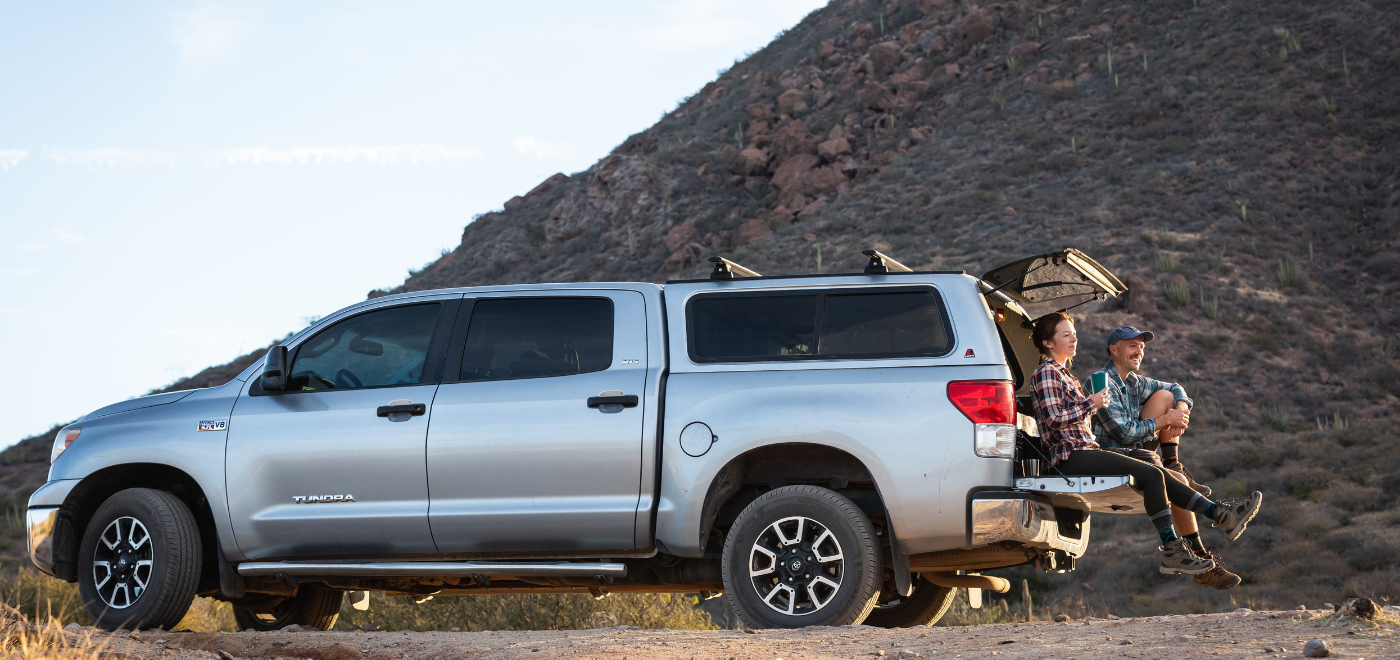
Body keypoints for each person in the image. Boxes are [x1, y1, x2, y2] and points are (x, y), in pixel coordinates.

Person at [1027, 312, 1263, 576]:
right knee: (1152, 473)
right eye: (1066, 334)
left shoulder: (1066, 375)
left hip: (1085, 452)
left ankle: (1218, 516)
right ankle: (1183, 542)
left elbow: (1173, 388)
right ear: (1048, 343)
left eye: (1074, 333)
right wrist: (1091, 404)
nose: (1074, 339)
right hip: (1068, 458)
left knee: (1158, 472)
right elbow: (1053, 419)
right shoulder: (1046, 372)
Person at [1091, 326, 1240, 589]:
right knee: (1177, 480)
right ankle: (1204, 557)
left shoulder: (1135, 382)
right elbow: (1123, 433)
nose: (1139, 351)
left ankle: (1172, 461)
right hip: (1114, 455)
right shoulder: (1100, 381)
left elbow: (1176, 387)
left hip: (1137, 451)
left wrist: (1180, 408)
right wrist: (1165, 419)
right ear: (1113, 350)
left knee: (1166, 396)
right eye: (1132, 346)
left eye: (1142, 347)